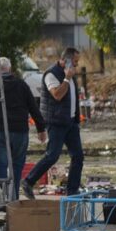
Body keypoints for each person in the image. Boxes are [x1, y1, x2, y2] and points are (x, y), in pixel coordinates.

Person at [0, 57, 47, 199]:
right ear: (9, 69)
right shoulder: (21, 85)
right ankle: (14, 197)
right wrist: (41, 128)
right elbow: (33, 106)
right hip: (20, 131)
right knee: (17, 166)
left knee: (0, 166)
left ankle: (4, 199)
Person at [22, 47, 85, 198]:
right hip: (56, 122)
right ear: (67, 60)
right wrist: (67, 78)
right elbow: (57, 95)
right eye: (75, 62)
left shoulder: (70, 75)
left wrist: (76, 117)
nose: (76, 65)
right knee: (52, 156)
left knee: (78, 156)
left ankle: (72, 190)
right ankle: (28, 181)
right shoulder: (51, 74)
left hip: (70, 122)